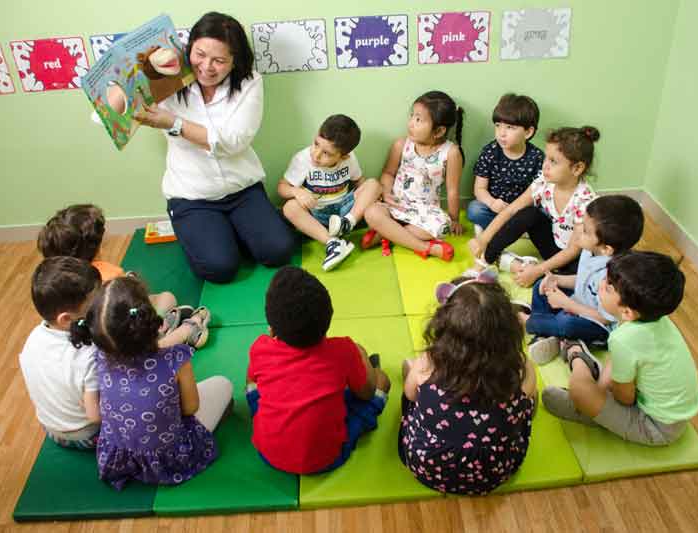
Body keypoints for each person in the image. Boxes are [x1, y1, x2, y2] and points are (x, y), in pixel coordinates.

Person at [134, 11, 295, 283]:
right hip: (192, 198)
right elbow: (112, 110)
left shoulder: (249, 82)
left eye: (219, 60)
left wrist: (174, 123)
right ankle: (214, 235)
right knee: (220, 269)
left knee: (278, 251)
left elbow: (234, 141)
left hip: (242, 190)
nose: (207, 67)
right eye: (200, 54)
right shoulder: (166, 81)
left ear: (234, 61)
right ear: (189, 49)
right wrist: (144, 68)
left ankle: (230, 232)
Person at [70, 276, 233, 489]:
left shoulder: (98, 357)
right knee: (223, 384)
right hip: (171, 458)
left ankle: (183, 330)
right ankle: (188, 328)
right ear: (148, 321)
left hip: (120, 458)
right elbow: (190, 408)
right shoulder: (175, 359)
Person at [542, 251, 698, 446]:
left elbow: (625, 398)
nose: (601, 283)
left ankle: (577, 356)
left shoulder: (625, 339)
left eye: (608, 287)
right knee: (614, 371)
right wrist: (603, 389)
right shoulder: (655, 320)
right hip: (671, 413)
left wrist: (596, 398)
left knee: (579, 391)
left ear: (627, 312)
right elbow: (622, 361)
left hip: (656, 428)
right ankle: (584, 368)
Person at [399, 273, 537, 495]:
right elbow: (528, 397)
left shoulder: (429, 363)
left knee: (413, 378)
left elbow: (411, 396)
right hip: (495, 471)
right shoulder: (520, 369)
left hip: (429, 468)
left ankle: (408, 369)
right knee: (529, 398)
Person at [246, 266, 391, 474]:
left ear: (272, 329)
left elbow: (252, 381)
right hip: (327, 458)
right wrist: (359, 352)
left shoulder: (260, 347)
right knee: (382, 383)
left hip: (267, 453)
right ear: (327, 321)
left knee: (253, 388)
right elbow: (366, 393)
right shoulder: (344, 350)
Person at [37, 203, 208, 347]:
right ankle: (180, 333)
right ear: (95, 246)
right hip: (120, 340)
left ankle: (162, 328)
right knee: (167, 299)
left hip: (98, 333)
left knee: (163, 300)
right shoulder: (106, 273)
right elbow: (128, 303)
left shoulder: (56, 282)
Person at [467, 127, 600, 287]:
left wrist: (537, 271)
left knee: (575, 281)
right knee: (529, 213)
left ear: (577, 168)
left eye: (553, 161)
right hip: (553, 245)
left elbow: (573, 251)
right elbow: (511, 210)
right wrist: (483, 239)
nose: (545, 166)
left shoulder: (585, 201)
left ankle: (521, 266)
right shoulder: (544, 182)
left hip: (573, 258)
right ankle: (486, 259)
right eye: (546, 158)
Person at [522, 195, 644, 362]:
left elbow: (605, 318)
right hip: (579, 302)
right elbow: (584, 281)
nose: (578, 231)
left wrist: (567, 304)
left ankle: (532, 323)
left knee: (566, 323)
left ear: (607, 249)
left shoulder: (614, 275)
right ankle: (547, 331)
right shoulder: (591, 249)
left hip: (597, 325)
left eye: (585, 231)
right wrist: (558, 280)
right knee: (540, 286)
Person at [362, 90, 465, 260]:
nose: (411, 123)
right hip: (396, 203)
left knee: (443, 227)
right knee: (371, 213)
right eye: (412, 116)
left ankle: (387, 234)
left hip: (426, 210)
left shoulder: (451, 152)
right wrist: (386, 194)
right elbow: (388, 173)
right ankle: (425, 247)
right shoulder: (401, 145)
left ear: (439, 131)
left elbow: (452, 190)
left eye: (418, 120)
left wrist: (454, 219)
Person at [278, 114, 381, 271]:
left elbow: (360, 181)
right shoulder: (303, 159)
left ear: (343, 156)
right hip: (316, 214)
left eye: (326, 153)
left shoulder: (350, 159)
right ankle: (333, 243)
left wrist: (372, 197)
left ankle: (347, 224)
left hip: (343, 212)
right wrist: (297, 192)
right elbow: (281, 187)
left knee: (373, 184)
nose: (316, 154)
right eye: (316, 144)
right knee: (289, 207)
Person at [19, 256, 102, 449]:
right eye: (93, 305)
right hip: (87, 434)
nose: (100, 306)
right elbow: (95, 417)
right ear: (66, 319)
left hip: (50, 427)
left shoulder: (33, 337)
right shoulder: (88, 354)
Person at [466, 93, 544, 236]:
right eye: (498, 125)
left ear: (528, 132)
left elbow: (539, 192)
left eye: (510, 127)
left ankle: (513, 228)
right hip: (495, 207)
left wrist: (517, 209)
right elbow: (479, 189)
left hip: (521, 209)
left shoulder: (537, 157)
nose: (501, 133)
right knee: (474, 209)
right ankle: (511, 229)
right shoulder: (490, 151)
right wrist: (492, 203)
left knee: (544, 213)